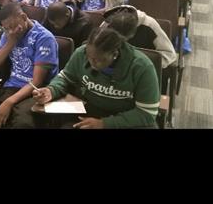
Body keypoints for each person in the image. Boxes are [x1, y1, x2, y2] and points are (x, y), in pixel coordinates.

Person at [32, 27, 160, 129]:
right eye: (89, 57)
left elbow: (146, 113)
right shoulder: (81, 53)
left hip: (126, 119)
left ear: (114, 54)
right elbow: (65, 78)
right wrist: (51, 90)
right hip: (90, 112)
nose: (92, 64)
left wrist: (105, 124)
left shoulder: (141, 67)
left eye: (99, 60)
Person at [102, 5, 177, 91]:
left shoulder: (149, 24)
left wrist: (142, 65)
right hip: (116, 75)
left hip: (144, 74)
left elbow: (169, 55)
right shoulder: (108, 24)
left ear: (133, 32)